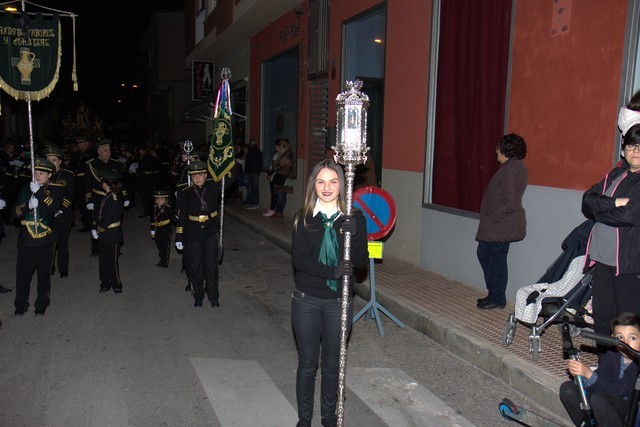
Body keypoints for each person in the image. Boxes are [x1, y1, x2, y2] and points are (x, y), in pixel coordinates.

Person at [291, 159, 369, 427]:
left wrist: (356, 235)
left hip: (339, 302)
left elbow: (360, 263)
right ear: (314, 184)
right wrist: (332, 272)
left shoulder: (353, 217)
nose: (327, 187)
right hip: (307, 300)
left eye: (333, 181)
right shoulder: (304, 217)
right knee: (307, 363)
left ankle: (328, 417)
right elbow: (300, 260)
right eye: (321, 181)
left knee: (333, 365)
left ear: (342, 184)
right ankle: (304, 418)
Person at [583, 100, 640, 357]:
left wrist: (601, 208)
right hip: (603, 261)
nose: (636, 151)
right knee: (603, 320)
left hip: (628, 265)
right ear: (624, 150)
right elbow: (587, 200)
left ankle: (628, 377)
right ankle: (605, 369)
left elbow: (629, 216)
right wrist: (613, 202)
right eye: (631, 145)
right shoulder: (614, 176)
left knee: (628, 324)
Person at [559, 312, 640, 426]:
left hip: (629, 411)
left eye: (632, 338)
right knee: (568, 388)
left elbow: (619, 391)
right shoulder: (612, 355)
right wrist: (580, 376)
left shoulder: (637, 365)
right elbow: (599, 379)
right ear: (613, 339)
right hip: (605, 401)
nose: (625, 343)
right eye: (620, 337)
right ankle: (587, 424)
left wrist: (589, 375)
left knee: (599, 400)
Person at [476, 133, 528, 310]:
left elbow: (510, 202)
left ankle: (498, 298)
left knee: (495, 260)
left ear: (506, 149)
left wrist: (492, 217)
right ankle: (494, 294)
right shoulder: (510, 167)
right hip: (496, 226)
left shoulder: (511, 169)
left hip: (500, 226)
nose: (495, 150)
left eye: (498, 147)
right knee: (485, 255)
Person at [14, 158, 61, 316]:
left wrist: (39, 193)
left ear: (50, 175)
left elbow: (53, 208)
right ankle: (21, 303)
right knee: (23, 273)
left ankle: (41, 302)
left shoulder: (55, 189)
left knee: (43, 273)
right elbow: (15, 213)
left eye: (42, 173)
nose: (37, 176)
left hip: (45, 238)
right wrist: (28, 206)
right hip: (26, 237)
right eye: (35, 172)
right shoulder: (24, 190)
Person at [175, 160, 225, 308]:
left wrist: (226, 161)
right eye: (194, 175)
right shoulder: (186, 193)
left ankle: (213, 296)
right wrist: (179, 235)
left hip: (210, 231)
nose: (197, 178)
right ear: (191, 177)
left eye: (200, 175)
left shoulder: (214, 187)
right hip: (193, 232)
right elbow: (183, 215)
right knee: (195, 265)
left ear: (205, 175)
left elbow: (230, 176)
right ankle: (198, 295)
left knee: (211, 265)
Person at [43, 145, 76, 278]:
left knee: (62, 242)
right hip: (46, 214)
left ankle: (63, 268)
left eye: (54, 160)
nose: (51, 163)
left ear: (60, 161)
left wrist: (61, 210)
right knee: (48, 242)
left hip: (63, 214)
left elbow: (70, 195)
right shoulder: (42, 174)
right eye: (48, 160)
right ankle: (49, 265)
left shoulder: (68, 175)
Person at [92, 169, 125, 294]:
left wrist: (99, 230)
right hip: (104, 234)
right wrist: (94, 227)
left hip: (113, 234)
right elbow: (99, 214)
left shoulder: (114, 199)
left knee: (112, 260)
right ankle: (104, 282)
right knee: (103, 259)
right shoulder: (107, 196)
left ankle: (116, 283)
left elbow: (109, 218)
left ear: (105, 184)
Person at [270, 138, 295, 219]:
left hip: (284, 177)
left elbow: (279, 166)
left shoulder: (287, 154)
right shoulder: (285, 153)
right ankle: (278, 212)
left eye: (280, 145)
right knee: (280, 195)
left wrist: (274, 163)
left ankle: (279, 212)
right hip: (282, 177)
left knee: (281, 195)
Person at [150, 190, 174, 268]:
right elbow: (152, 220)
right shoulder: (154, 208)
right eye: (158, 199)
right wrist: (152, 230)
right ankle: (162, 257)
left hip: (166, 229)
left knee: (165, 246)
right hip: (157, 229)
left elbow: (173, 218)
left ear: (165, 200)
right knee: (159, 244)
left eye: (162, 199)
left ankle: (164, 262)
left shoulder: (168, 208)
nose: (159, 201)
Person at [263, 139, 282, 217]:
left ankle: (273, 210)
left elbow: (276, 167)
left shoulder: (280, 156)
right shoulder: (276, 154)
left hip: (275, 177)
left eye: (276, 145)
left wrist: (271, 175)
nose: (274, 147)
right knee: (273, 194)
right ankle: (272, 209)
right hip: (272, 176)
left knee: (275, 195)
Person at [244, 138, 263, 209]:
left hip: (254, 172)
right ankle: (253, 202)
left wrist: (251, 170)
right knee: (252, 187)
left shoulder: (255, 152)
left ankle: (254, 203)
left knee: (253, 188)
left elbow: (255, 163)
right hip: (252, 172)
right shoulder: (252, 151)